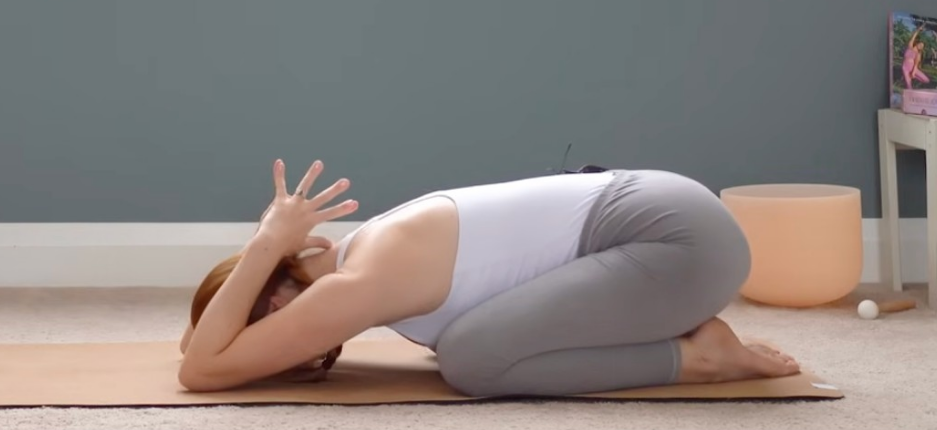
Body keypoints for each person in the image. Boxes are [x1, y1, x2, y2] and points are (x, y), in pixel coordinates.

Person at [178, 160, 799, 397]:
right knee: (476, 343)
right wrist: (261, 257)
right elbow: (197, 346)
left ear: (278, 295)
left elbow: (201, 368)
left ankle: (699, 360)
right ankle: (678, 329)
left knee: (474, 361)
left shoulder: (357, 282)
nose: (281, 354)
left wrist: (264, 245)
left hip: (673, 243)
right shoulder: (365, 260)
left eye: (263, 328)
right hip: (665, 225)